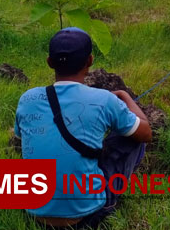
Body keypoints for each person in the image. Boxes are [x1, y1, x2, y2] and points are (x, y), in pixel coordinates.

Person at [14, 27, 152, 228]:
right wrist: (124, 96)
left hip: (34, 213)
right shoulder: (104, 99)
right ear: (90, 61)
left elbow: (20, 139)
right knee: (133, 137)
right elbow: (146, 133)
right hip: (85, 217)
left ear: (49, 62)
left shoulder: (27, 99)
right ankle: (109, 196)